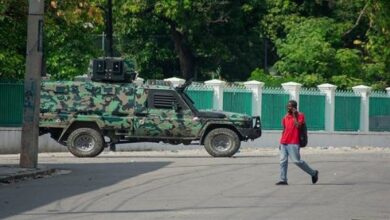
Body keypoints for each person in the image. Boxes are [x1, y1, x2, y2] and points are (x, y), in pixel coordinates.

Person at [275, 100, 319, 185]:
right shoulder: (285, 117)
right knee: (282, 161)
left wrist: (295, 116)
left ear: (295, 107)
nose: (288, 108)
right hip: (284, 142)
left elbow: (298, 126)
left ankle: (313, 173)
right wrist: (280, 142)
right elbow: (284, 130)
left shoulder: (300, 115)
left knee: (297, 161)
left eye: (290, 106)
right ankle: (283, 179)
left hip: (293, 142)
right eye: (288, 106)